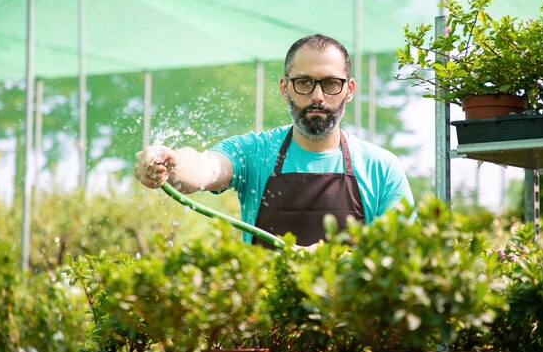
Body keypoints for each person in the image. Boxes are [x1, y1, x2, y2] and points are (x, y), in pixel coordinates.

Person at [135, 34, 414, 247]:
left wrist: (335, 258)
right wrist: (170, 164)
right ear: (285, 88)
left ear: (349, 90)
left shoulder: (381, 167)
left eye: (330, 83)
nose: (317, 96)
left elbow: (401, 251)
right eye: (304, 82)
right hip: (265, 319)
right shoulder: (254, 152)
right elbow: (206, 167)